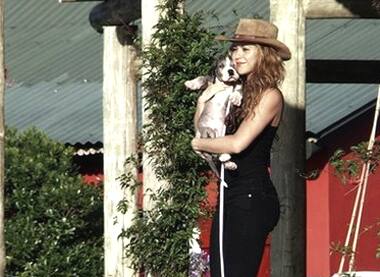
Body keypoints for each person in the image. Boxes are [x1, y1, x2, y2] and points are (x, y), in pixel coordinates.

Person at [191, 18, 291, 277]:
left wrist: (198, 143)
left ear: (265, 54)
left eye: (246, 49)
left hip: (250, 195)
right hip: (232, 193)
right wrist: (204, 98)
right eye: (235, 49)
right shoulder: (235, 91)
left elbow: (236, 143)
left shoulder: (270, 96)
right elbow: (202, 123)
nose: (237, 55)